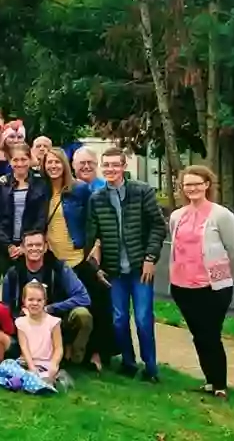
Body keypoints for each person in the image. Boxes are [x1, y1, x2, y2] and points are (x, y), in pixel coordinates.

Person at [86, 147, 167, 383]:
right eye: (107, 165)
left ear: (124, 167)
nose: (110, 169)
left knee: (143, 319)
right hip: (114, 271)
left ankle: (151, 368)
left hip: (140, 268)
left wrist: (150, 258)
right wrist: (96, 267)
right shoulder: (97, 198)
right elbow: (93, 235)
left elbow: (158, 227)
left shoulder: (142, 192)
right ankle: (129, 363)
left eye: (115, 165)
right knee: (119, 319)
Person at [169, 165, 234, 400]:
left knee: (210, 334)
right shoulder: (176, 216)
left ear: (207, 185)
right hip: (182, 286)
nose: (192, 188)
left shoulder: (221, 215)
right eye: (187, 185)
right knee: (198, 335)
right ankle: (209, 381)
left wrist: (212, 266)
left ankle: (220, 384)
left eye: (197, 184)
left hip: (213, 288)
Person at [42, 148, 115, 371]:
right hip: (54, 259)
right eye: (49, 163)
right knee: (59, 307)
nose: (53, 166)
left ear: (65, 164)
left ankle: (96, 354)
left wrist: (94, 249)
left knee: (97, 304)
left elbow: (92, 221)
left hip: (77, 257)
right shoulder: (42, 191)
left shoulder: (79, 189)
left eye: (57, 162)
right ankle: (63, 350)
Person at [2, 233, 92, 368]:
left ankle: (74, 359)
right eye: (30, 245)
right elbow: (6, 306)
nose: (34, 249)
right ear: (22, 248)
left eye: (38, 245)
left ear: (45, 247)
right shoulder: (13, 273)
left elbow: (84, 297)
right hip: (25, 324)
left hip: (56, 321)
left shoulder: (59, 268)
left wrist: (51, 308)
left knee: (83, 315)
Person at [0, 143, 49, 280]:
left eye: (23, 159)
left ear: (29, 160)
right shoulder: (1, 186)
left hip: (31, 245)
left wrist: (25, 245)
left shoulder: (40, 184)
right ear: (10, 161)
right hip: (5, 246)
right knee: (9, 285)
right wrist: (9, 246)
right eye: (15, 160)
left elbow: (41, 217)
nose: (20, 163)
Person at [15, 281, 66, 386]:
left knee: (43, 378)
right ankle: (25, 380)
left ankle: (44, 381)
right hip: (26, 362)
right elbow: (24, 347)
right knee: (8, 366)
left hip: (46, 364)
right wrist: (31, 367)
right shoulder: (21, 322)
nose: (35, 303)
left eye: (39, 300)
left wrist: (54, 364)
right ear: (24, 300)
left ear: (45, 302)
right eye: (31, 299)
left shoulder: (53, 322)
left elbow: (58, 348)